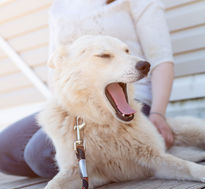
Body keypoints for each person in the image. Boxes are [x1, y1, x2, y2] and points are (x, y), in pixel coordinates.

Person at [0, 0, 175, 179]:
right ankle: (101, 166)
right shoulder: (60, 5)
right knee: (3, 151)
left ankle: (102, 168)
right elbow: (57, 66)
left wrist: (158, 113)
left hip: (126, 102)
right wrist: (63, 113)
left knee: (39, 155)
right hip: (78, 103)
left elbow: (161, 59)